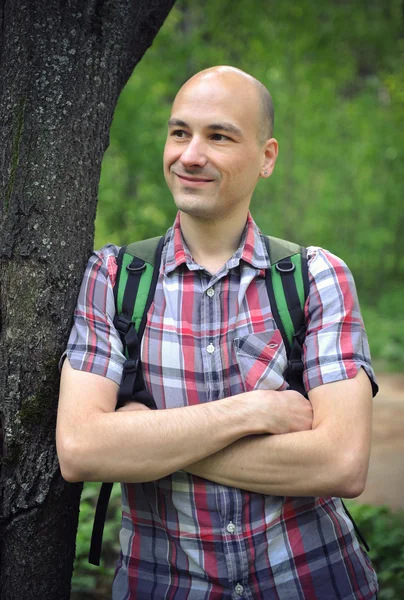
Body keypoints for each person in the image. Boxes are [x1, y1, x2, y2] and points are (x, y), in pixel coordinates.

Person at [57, 66, 379, 599]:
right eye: (180, 132)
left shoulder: (316, 277)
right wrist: (250, 413)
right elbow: (80, 450)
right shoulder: (114, 280)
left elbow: (342, 462)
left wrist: (146, 440)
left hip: (312, 580)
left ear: (267, 157)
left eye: (219, 136)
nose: (189, 155)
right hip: (163, 586)